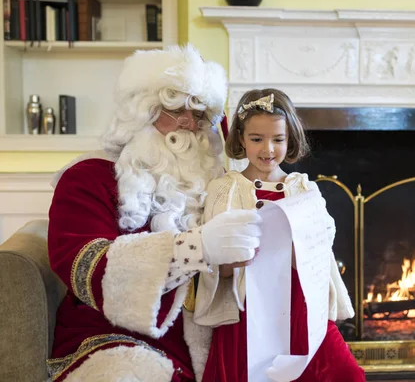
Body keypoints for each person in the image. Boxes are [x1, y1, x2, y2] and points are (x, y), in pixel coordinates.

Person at [46, 44, 261, 382]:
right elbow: (87, 270)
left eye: (201, 113)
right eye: (175, 108)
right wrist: (197, 248)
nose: (189, 123)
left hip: (209, 340)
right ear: (141, 110)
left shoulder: (221, 186)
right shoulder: (87, 179)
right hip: (116, 341)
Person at [193, 88, 366, 381]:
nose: (267, 149)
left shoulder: (304, 188)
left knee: (345, 374)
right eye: (256, 139)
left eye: (278, 139)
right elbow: (210, 257)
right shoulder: (223, 189)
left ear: (290, 139)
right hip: (247, 314)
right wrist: (227, 265)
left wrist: (300, 246)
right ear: (240, 139)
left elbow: (322, 242)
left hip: (299, 307)